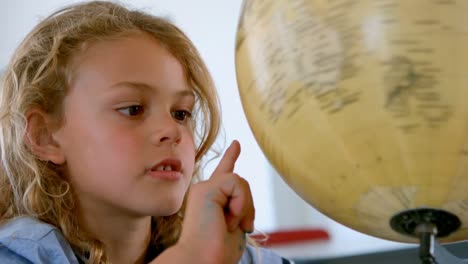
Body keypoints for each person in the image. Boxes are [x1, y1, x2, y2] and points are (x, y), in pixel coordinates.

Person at [0, 1, 292, 263]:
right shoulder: (18, 253)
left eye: (181, 114)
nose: (172, 131)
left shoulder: (220, 253)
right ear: (44, 136)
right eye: (133, 109)